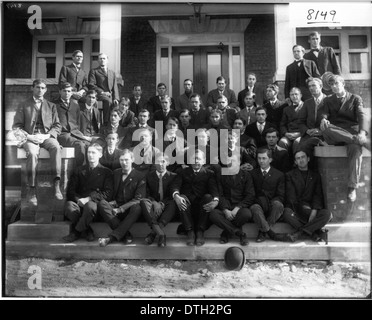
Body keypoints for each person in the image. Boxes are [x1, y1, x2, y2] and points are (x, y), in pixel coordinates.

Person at [12, 79, 63, 205]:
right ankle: (32, 189)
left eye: (43, 88)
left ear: (46, 90)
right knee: (33, 153)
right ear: (32, 88)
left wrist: (46, 136)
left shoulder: (51, 106)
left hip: (46, 137)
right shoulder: (23, 105)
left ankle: (56, 185)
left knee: (56, 147)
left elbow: (57, 126)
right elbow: (16, 127)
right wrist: (29, 137)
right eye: (38, 87)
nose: (40, 90)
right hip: (30, 137)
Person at [320, 75, 369, 202]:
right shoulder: (328, 100)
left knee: (356, 149)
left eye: (336, 84)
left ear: (343, 84)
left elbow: (361, 115)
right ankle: (358, 140)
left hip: (350, 131)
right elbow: (323, 113)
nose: (334, 87)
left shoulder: (354, 98)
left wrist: (363, 132)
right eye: (331, 85)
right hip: (335, 133)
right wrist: (323, 118)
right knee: (326, 127)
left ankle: (352, 187)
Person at [62, 143, 113, 242]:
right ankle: (88, 230)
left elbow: (108, 193)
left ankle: (76, 232)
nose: (90, 155)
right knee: (69, 206)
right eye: (89, 152)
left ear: (100, 155)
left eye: (93, 152)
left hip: (95, 207)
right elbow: (71, 191)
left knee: (90, 206)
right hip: (79, 204)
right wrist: (78, 200)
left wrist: (89, 199)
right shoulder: (79, 170)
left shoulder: (106, 172)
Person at [98, 149, 146, 246]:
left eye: (126, 160)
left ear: (132, 160)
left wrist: (121, 209)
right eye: (121, 160)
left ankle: (111, 238)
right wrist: (112, 202)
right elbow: (111, 191)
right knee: (102, 204)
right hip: (115, 208)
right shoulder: (115, 173)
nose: (124, 163)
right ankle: (126, 234)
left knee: (138, 207)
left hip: (130, 211)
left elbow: (138, 198)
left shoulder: (140, 176)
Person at [172, 149, 220, 246]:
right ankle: (190, 232)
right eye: (194, 158)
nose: (196, 161)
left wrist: (216, 200)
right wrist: (176, 196)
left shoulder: (209, 173)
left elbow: (214, 189)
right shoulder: (182, 172)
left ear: (203, 160)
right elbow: (175, 186)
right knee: (181, 198)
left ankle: (200, 231)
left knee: (208, 197)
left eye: (198, 159)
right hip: (187, 205)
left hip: (201, 206)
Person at [282, 150, 332, 242]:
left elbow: (318, 195)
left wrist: (314, 211)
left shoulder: (315, 176)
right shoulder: (289, 175)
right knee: (286, 213)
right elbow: (291, 197)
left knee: (327, 214)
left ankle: (299, 233)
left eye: (303, 157)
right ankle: (314, 233)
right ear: (295, 162)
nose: (301, 160)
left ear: (308, 159)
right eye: (298, 158)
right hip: (296, 209)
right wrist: (305, 210)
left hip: (311, 209)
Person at [209, 153, 254, 246]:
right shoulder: (220, 174)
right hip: (225, 206)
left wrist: (237, 208)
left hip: (240, 207)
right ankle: (239, 233)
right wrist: (225, 210)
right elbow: (219, 194)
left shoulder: (246, 175)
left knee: (247, 214)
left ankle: (226, 232)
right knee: (213, 214)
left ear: (239, 162)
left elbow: (250, 195)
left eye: (233, 161)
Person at [140, 153, 178, 247]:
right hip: (153, 205)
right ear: (154, 163)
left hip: (167, 205)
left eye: (163, 161)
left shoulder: (173, 176)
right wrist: (154, 202)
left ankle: (153, 234)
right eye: (158, 162)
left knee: (173, 203)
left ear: (168, 163)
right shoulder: (148, 176)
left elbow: (172, 194)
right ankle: (161, 234)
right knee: (143, 202)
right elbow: (146, 193)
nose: (160, 164)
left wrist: (161, 203)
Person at [249, 148, 285, 242]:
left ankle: (263, 232)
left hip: (272, 205)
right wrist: (259, 201)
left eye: (264, 158)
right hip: (258, 204)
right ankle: (269, 232)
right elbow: (250, 193)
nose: (261, 161)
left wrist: (271, 202)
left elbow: (280, 195)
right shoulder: (252, 174)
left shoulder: (279, 175)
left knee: (278, 205)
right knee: (254, 208)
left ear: (270, 160)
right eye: (259, 158)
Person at [55, 82, 87, 167]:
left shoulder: (75, 105)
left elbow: (78, 122)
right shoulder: (54, 105)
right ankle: (80, 171)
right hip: (62, 134)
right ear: (60, 92)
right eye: (64, 91)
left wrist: (79, 134)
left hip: (75, 133)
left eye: (69, 91)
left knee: (90, 144)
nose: (67, 93)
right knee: (79, 145)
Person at [297, 78, 327, 159]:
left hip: (324, 135)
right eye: (309, 86)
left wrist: (321, 131)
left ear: (321, 86)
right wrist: (307, 130)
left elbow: (333, 120)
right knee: (299, 151)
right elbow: (300, 121)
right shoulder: (307, 103)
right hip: (308, 135)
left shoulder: (329, 100)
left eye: (314, 85)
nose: (311, 88)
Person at [88, 53, 120, 125]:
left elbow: (115, 87)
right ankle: (106, 123)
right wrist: (102, 92)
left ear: (107, 60)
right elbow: (91, 84)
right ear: (98, 61)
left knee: (116, 104)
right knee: (107, 101)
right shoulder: (94, 71)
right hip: (99, 95)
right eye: (100, 58)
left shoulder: (112, 73)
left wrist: (116, 98)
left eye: (104, 58)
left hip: (110, 96)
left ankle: (114, 125)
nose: (102, 60)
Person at [279, 87, 304, 153]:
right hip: (289, 134)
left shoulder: (306, 107)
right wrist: (286, 133)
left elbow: (309, 123)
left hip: (302, 134)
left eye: (296, 94)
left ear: (301, 95)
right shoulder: (286, 109)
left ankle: (297, 162)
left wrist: (299, 134)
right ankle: (284, 163)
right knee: (282, 142)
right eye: (292, 95)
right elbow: (282, 124)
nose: (294, 96)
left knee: (297, 142)